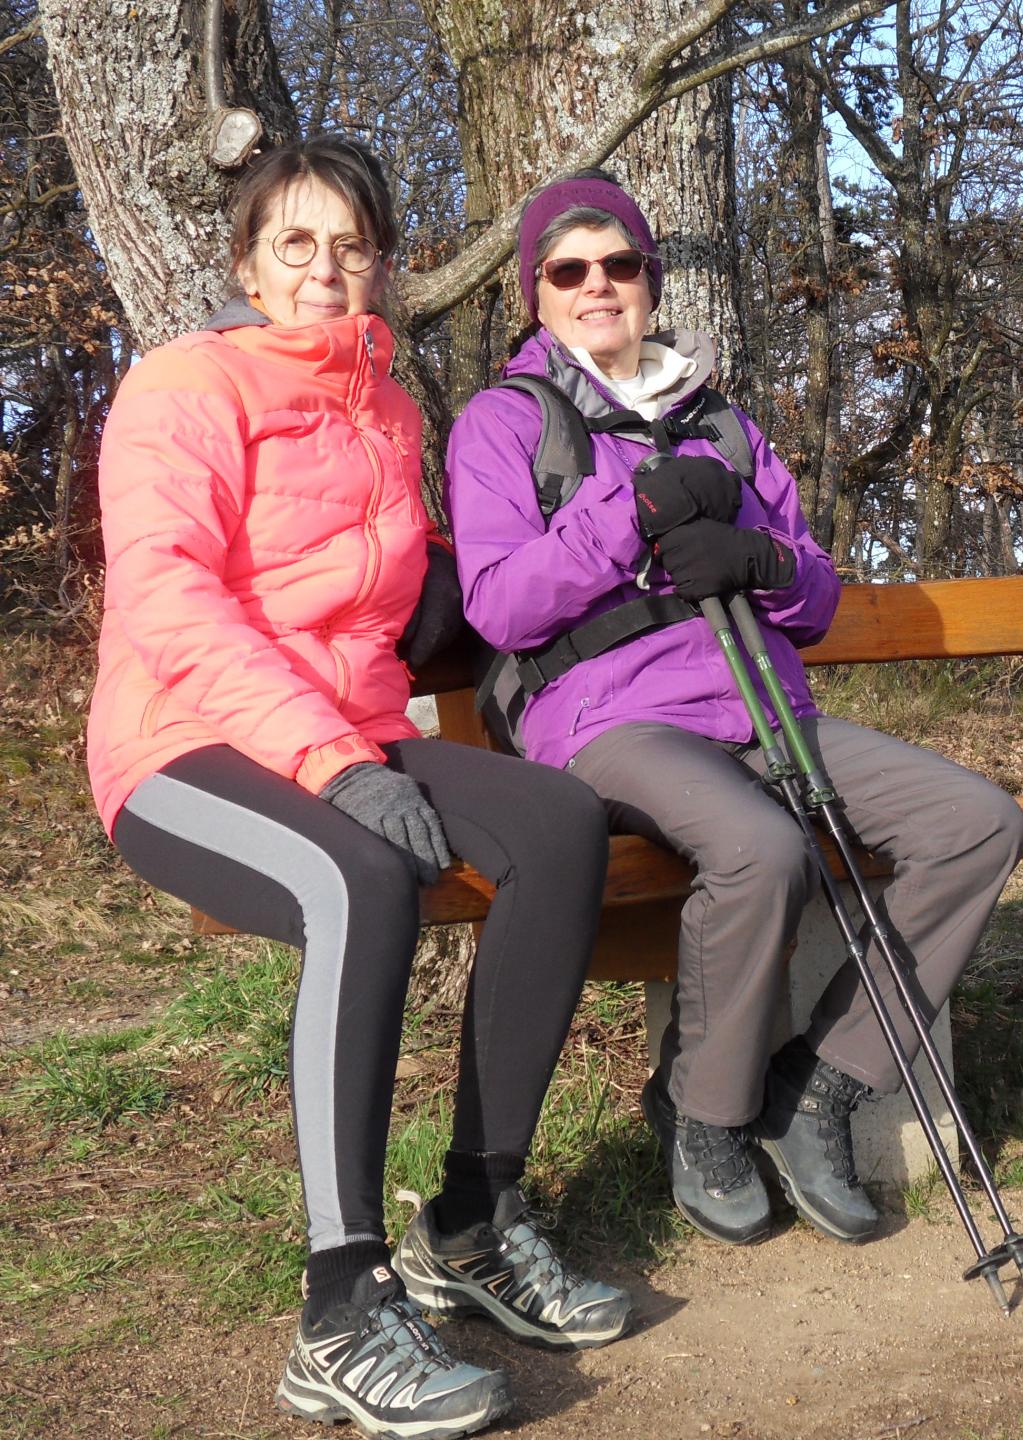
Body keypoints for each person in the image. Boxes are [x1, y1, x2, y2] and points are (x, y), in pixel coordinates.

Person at [87, 137, 630, 1440]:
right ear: (246, 265)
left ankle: (474, 1221)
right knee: (360, 878)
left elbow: (401, 587)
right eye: (295, 244)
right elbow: (171, 600)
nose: (326, 269)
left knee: (560, 824)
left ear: (383, 264)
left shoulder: (384, 405)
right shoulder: (181, 388)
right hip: (185, 744)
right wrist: (332, 763)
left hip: (350, 726)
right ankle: (340, 1310)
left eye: (352, 246)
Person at [445, 170, 1023, 1248]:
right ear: (538, 293)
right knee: (763, 849)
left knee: (977, 823)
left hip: (763, 706)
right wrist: (635, 510)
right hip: (608, 720)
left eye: (619, 264)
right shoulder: (501, 423)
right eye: (569, 270)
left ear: (650, 281)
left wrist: (755, 553)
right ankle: (703, 1114)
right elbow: (502, 604)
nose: (598, 286)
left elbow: (812, 598)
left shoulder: (721, 421)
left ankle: (828, 1080)